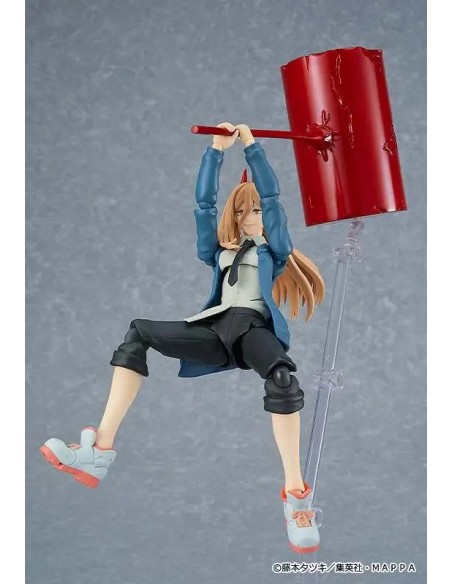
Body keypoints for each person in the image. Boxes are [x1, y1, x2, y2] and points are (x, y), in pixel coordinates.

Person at [40, 123, 325, 554]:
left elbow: (273, 198)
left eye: (257, 211)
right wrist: (215, 151)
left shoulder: (274, 252)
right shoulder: (219, 253)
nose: (253, 216)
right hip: (213, 326)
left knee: (283, 379)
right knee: (138, 331)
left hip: (253, 329)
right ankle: (98, 450)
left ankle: (297, 500)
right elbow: (203, 205)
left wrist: (252, 148)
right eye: (244, 211)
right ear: (235, 217)